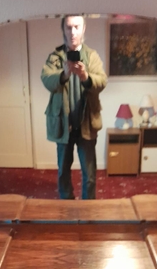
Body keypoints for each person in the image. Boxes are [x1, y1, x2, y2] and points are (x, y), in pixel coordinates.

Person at [41, 15, 107, 200]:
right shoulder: (55, 57)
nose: (73, 32)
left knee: (90, 175)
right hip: (64, 126)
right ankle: (66, 209)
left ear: (84, 28)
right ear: (63, 29)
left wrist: (86, 76)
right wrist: (64, 74)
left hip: (86, 124)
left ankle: (89, 212)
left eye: (77, 27)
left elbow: (102, 81)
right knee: (63, 172)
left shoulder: (91, 56)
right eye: (69, 27)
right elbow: (46, 79)